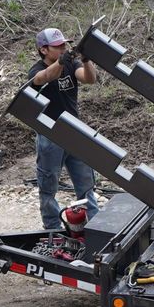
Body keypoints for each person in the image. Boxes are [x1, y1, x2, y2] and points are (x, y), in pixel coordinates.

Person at [29, 27, 101, 233]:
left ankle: (95, 226)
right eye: (58, 46)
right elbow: (42, 79)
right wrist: (61, 62)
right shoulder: (36, 70)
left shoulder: (71, 64)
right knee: (48, 186)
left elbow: (89, 78)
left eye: (64, 45)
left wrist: (86, 59)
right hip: (50, 135)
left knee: (86, 184)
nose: (63, 48)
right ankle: (52, 228)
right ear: (44, 50)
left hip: (74, 132)